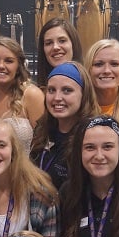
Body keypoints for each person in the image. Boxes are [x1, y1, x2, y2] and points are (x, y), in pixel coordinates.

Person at [31, 61, 95, 190]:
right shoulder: (41, 131)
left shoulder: (92, 137)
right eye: (51, 90)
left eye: (67, 90)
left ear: (84, 95)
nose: (57, 97)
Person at [0, 36, 45, 153]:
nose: (1, 66)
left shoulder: (32, 95)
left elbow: (45, 145)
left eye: (9, 61)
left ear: (18, 66)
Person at [36, 18, 84, 85]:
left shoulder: (91, 86)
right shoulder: (35, 93)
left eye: (62, 41)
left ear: (73, 44)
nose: (55, 47)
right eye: (49, 43)